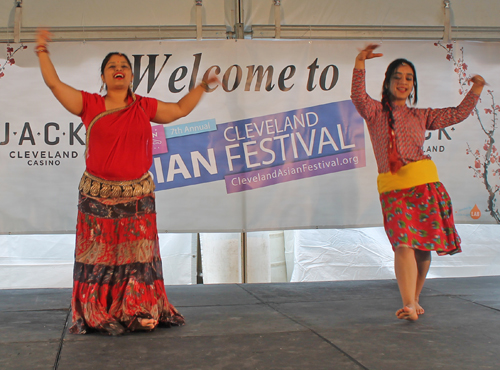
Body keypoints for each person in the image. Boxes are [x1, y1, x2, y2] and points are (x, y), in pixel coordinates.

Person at [36, 29, 217, 335]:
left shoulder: (143, 106)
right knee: (98, 257)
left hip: (137, 197)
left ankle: (138, 308)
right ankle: (98, 309)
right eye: (112, 66)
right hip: (97, 197)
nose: (119, 68)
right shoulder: (90, 104)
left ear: (131, 75)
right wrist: (42, 50)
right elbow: (55, 84)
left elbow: (179, 110)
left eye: (124, 65)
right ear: (104, 76)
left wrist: (201, 87)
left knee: (137, 258)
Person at [351, 44, 486, 321]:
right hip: (393, 189)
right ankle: (408, 303)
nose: (403, 82)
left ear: (413, 85)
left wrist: (477, 89)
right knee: (403, 243)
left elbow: (457, 114)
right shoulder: (375, 111)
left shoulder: (421, 115)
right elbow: (357, 96)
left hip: (425, 185)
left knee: (423, 247)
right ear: (387, 82)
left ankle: (414, 298)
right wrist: (359, 63)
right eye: (397, 77)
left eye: (409, 78)